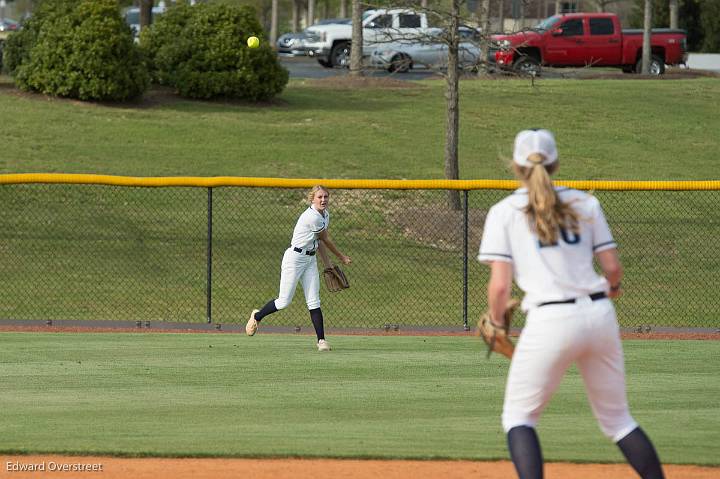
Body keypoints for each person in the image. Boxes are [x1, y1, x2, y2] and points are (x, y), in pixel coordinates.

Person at [478, 129, 665, 479]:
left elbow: (500, 287)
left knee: (519, 417)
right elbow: (612, 268)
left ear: (516, 166)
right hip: (598, 314)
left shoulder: (504, 212)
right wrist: (612, 288)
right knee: (618, 420)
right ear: (556, 164)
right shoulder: (586, 203)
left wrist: (498, 320)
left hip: (550, 319)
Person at [246, 185, 352, 351]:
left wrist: (328, 264)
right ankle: (257, 315)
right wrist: (341, 257)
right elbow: (326, 239)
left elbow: (319, 242)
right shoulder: (312, 216)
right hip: (294, 259)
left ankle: (321, 341)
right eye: (320, 197)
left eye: (326, 196)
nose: (323, 200)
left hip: (310, 260)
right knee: (284, 301)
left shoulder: (325, 215)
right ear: (312, 199)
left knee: (314, 301)